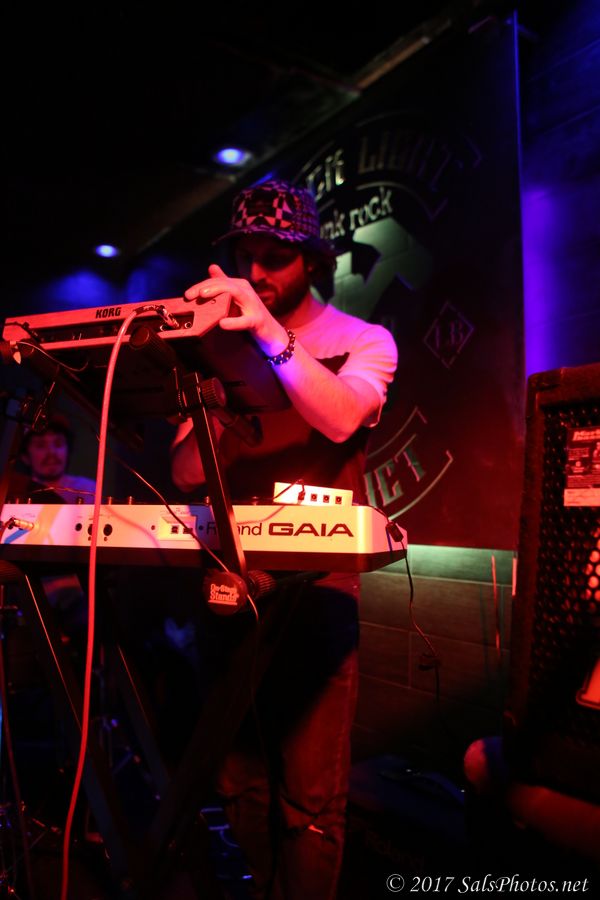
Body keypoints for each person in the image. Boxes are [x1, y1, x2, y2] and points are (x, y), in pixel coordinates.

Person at [170, 179, 398, 900]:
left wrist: (268, 337)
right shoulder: (224, 351)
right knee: (238, 778)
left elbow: (340, 418)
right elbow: (184, 473)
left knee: (310, 798)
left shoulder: (364, 341)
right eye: (247, 256)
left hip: (318, 591)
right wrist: (215, 378)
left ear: (314, 261)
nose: (258, 272)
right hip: (231, 578)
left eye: (275, 257)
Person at [16, 413, 96, 503]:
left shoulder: (88, 490)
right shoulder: (15, 489)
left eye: (58, 444)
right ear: (25, 457)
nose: (52, 452)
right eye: (41, 445)